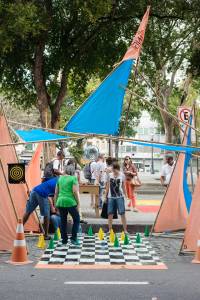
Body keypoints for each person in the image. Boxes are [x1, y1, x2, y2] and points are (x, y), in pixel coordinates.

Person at [55, 165, 80, 245]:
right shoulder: (73, 178)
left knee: (63, 221)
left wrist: (55, 203)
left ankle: (64, 240)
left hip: (60, 201)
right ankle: (73, 238)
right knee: (76, 219)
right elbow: (75, 192)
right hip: (70, 201)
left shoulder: (60, 178)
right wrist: (78, 202)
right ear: (72, 171)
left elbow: (56, 192)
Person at [105, 162, 128, 232]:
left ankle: (125, 230)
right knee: (110, 213)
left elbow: (124, 186)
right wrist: (105, 196)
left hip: (120, 197)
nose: (114, 172)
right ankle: (110, 230)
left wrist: (126, 195)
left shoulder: (122, 175)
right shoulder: (109, 175)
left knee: (122, 213)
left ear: (118, 169)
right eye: (113, 170)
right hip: (110, 197)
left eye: (115, 170)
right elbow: (107, 186)